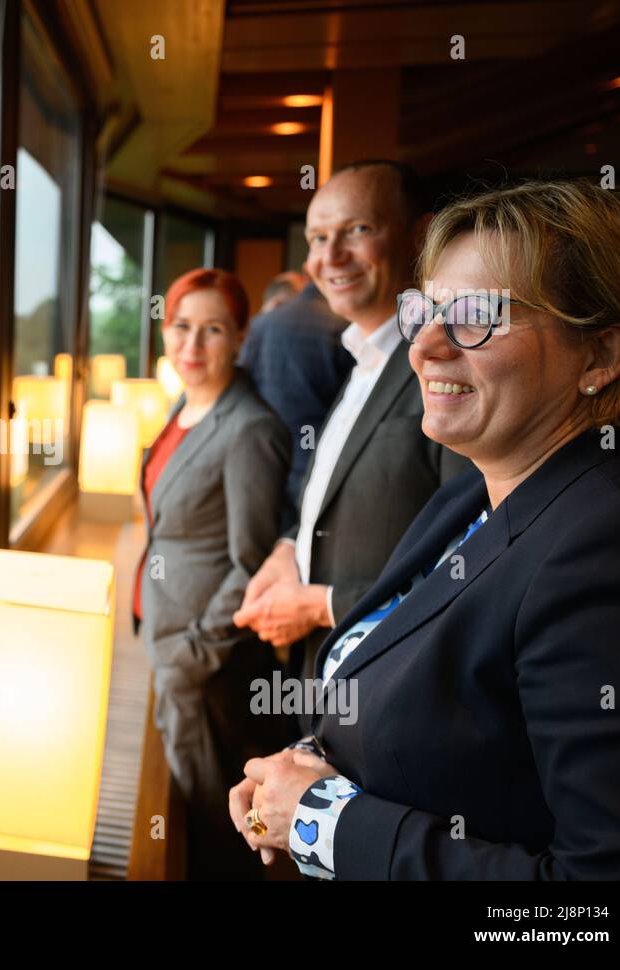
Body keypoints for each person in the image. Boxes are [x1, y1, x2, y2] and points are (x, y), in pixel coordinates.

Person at [230, 179, 620, 879]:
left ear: (601, 354)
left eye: (474, 315)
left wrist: (321, 821)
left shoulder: (614, 542)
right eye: (424, 311)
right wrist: (302, 771)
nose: (424, 346)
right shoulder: (464, 501)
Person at [233, 160, 470, 679]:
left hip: (393, 679)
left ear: (419, 235)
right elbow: (332, 494)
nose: (330, 257)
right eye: (317, 238)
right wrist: (287, 549)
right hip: (322, 676)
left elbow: (470, 560)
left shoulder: (448, 366)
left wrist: (320, 606)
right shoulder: (361, 356)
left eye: (358, 230)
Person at [134, 268, 291, 879]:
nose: (192, 347)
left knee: (214, 823)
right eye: (180, 327)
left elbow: (250, 564)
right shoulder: (185, 403)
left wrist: (190, 657)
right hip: (166, 638)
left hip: (206, 664)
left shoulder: (251, 428)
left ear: (241, 337)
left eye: (213, 330)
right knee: (190, 809)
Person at [237, 273, 355, 524]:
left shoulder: (259, 326)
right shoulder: (346, 328)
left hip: (260, 464)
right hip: (321, 466)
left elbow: (241, 391)